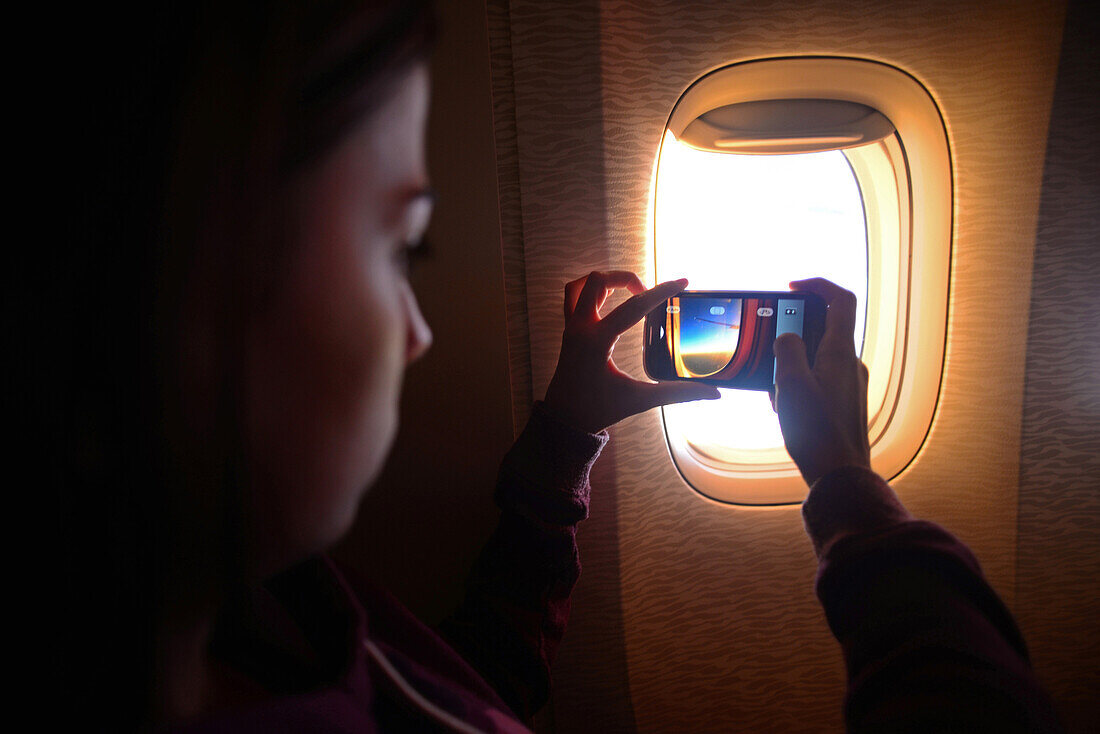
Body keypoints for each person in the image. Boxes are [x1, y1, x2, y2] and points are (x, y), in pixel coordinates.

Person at [51, 2, 1061, 732]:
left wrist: (565, 435)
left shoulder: (276, 611)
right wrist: (849, 492)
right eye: (400, 249)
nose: (418, 332)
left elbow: (479, 677)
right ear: (166, 288)